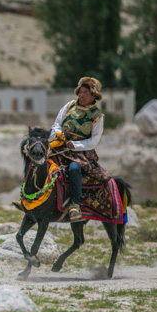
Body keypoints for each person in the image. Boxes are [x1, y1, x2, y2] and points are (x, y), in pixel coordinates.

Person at [49, 77, 110, 222]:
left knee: (74, 168)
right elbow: (57, 123)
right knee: (39, 161)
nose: (81, 95)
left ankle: (75, 205)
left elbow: (93, 141)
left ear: (94, 96)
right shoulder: (69, 106)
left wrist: (75, 145)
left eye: (85, 93)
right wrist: (58, 134)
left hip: (81, 153)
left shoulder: (97, 116)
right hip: (60, 146)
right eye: (80, 92)